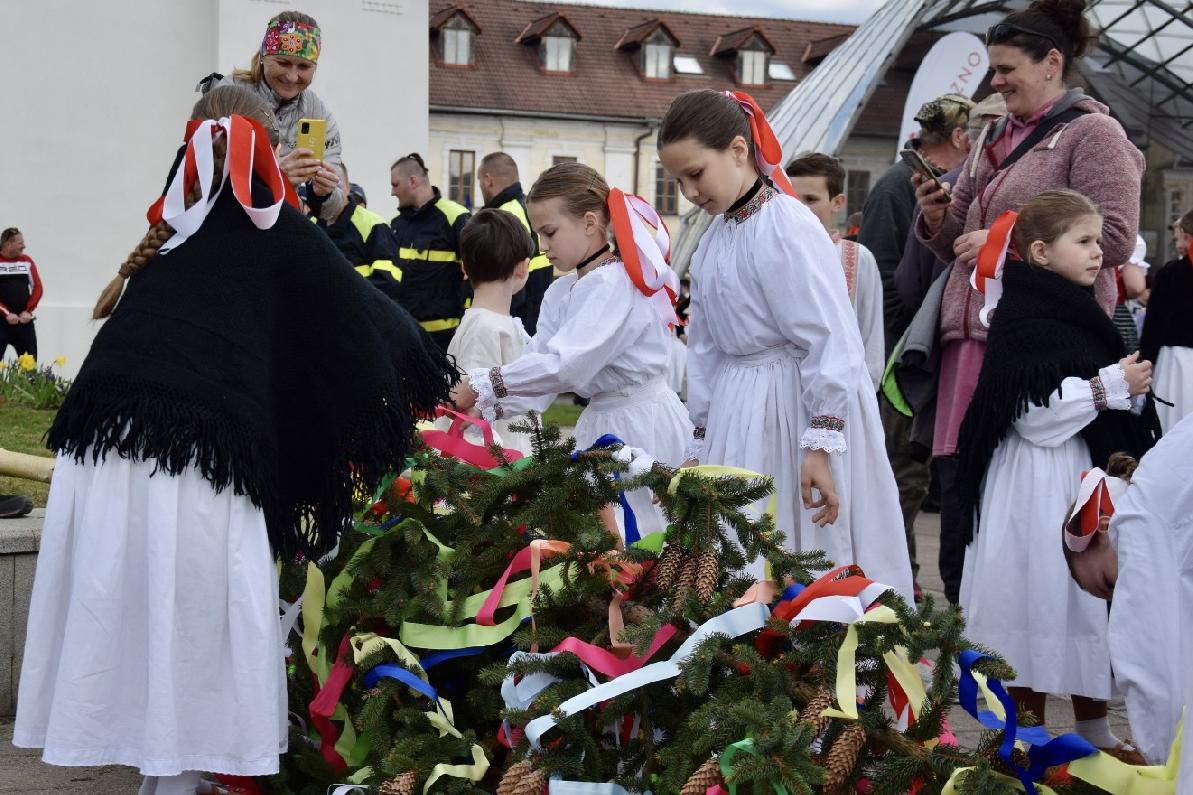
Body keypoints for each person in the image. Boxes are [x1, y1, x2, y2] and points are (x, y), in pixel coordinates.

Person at [12, 86, 455, 794]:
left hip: (102, 453)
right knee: (197, 631)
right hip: (190, 462)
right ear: (264, 143)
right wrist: (438, 380)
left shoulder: (177, 221)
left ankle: (164, 780)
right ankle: (177, 783)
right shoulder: (270, 222)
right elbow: (367, 317)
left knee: (135, 618)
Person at [915, 0, 1144, 606]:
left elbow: (1114, 236)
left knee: (1023, 488)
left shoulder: (1094, 132)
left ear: (1051, 62)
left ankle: (1037, 626)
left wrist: (1000, 239)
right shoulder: (993, 131)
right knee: (964, 483)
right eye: (991, 69)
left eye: (1006, 68)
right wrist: (938, 217)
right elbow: (957, 236)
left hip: (1042, 344)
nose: (995, 81)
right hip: (973, 338)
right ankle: (974, 625)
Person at [656, 89, 913, 601]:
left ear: (736, 150)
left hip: (794, 406)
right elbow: (705, 349)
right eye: (678, 180)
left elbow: (829, 338)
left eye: (696, 173)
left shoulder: (787, 225)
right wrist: (700, 439)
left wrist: (820, 442)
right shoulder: (715, 240)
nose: (688, 192)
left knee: (802, 541)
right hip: (738, 409)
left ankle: (824, 659)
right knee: (741, 545)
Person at [955, 189, 1160, 756]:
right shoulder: (1023, 314)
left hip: (1074, 472)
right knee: (1035, 596)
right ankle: (1023, 735)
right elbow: (1032, 415)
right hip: (1035, 480)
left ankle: (1094, 728)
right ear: (1041, 252)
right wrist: (1109, 387)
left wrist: (1127, 390)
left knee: (1084, 602)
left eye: (1100, 240)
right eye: (1086, 241)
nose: (1100, 252)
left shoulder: (1075, 307)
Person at [449, 162, 692, 539]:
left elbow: (567, 367)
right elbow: (541, 371)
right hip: (602, 426)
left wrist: (486, 383)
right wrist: (482, 405)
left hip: (641, 425)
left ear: (590, 224)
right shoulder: (562, 291)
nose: (543, 247)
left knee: (649, 535)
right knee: (605, 545)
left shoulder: (613, 284)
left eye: (550, 233)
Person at [860, 93, 975, 600]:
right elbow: (884, 277)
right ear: (959, 137)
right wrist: (899, 356)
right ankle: (896, 582)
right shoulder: (897, 186)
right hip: (907, 359)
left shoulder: (932, 180)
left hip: (928, 354)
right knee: (905, 477)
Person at [1064, 413, 1193, 784]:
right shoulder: (1158, 476)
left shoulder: (1134, 522)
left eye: (1109, 581)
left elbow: (1147, 666)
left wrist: (1166, 765)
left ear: (1103, 527)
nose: (1119, 594)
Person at [204, 11, 344, 224]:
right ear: (262, 57)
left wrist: (322, 193)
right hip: (225, 221)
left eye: (304, 66)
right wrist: (275, 176)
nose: (292, 76)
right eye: (283, 63)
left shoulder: (318, 113)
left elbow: (333, 208)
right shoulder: (229, 95)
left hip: (281, 226)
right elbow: (203, 174)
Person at [785, 153, 884, 391]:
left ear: (837, 202)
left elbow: (871, 335)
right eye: (792, 198)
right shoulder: (772, 255)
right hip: (784, 388)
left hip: (842, 391)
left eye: (811, 199)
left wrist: (865, 392)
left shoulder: (858, 258)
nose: (801, 208)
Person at [448, 208, 536, 456]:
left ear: (464, 267)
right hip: (494, 477)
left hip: (512, 467)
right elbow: (469, 419)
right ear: (523, 267)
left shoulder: (497, 325)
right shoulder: (484, 328)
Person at [389, 153, 471, 351]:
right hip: (406, 333)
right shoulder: (396, 224)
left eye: (395, 184)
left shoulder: (456, 217)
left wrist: (467, 324)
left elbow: (475, 277)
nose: (392, 192)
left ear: (413, 181)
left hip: (447, 338)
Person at [478, 152, 554, 335]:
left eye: (480, 181)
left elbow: (505, 277)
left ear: (488, 180)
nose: (480, 186)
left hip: (514, 322)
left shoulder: (503, 215)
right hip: (537, 319)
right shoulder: (528, 207)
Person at [1140, 225, 1193, 432]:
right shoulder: (1172, 273)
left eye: (1184, 237)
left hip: (1176, 363)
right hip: (1175, 358)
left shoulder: (1171, 273)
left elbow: (1154, 324)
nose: (1180, 244)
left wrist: (1147, 360)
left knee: (1172, 427)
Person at [314, 164, 401, 285]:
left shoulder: (374, 225)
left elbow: (389, 282)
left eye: (337, 184)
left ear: (348, 188)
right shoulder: (310, 224)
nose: (330, 190)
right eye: (323, 184)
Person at [0, 227, 41, 360]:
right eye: (20, 243)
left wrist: (28, 311)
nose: (24, 246)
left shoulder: (26, 261)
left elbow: (38, 288)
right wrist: (6, 313)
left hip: (24, 322)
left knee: (30, 368)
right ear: (8, 243)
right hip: (1, 322)